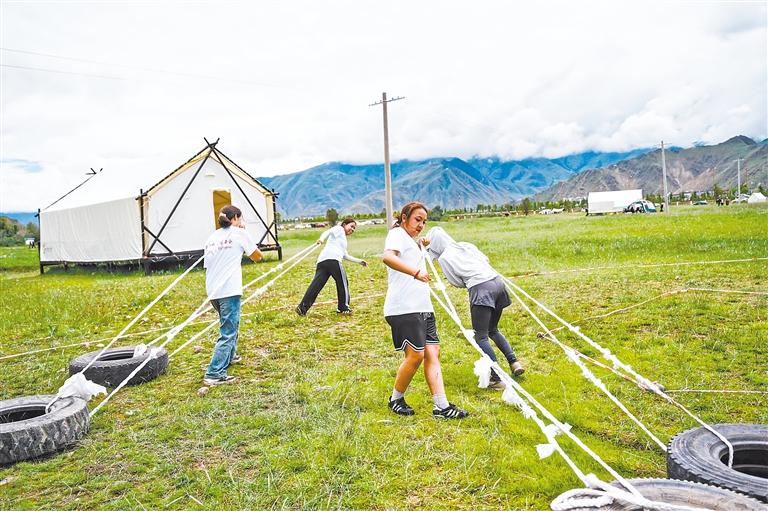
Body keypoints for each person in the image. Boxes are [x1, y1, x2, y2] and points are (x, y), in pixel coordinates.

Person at [382, 202, 468, 419]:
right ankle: (395, 399)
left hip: (423, 307)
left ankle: (441, 406)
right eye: (417, 219)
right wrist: (415, 272)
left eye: (424, 222)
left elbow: (410, 254)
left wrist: (420, 245)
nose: (421, 225)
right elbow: (388, 257)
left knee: (432, 352)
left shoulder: (410, 241)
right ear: (404, 218)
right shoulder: (396, 234)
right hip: (404, 307)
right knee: (416, 355)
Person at [426, 227, 525, 390]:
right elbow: (485, 259)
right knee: (493, 329)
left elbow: (455, 281)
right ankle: (514, 362)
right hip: (497, 283)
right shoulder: (465, 245)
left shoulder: (444, 258)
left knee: (481, 337)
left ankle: (496, 378)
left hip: (481, 290)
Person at [202, 205, 262, 385]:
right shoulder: (240, 234)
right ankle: (214, 373)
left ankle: (231, 355)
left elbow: (208, 264)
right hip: (229, 290)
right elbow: (257, 257)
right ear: (235, 217)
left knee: (230, 324)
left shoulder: (212, 237)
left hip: (213, 290)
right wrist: (244, 232)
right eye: (240, 218)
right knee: (228, 331)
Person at [296, 217, 367, 316]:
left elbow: (345, 255)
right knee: (343, 282)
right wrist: (321, 239)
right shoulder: (339, 229)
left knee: (316, 285)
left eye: (354, 228)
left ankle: (302, 308)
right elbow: (327, 232)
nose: (352, 229)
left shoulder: (341, 239)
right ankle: (343, 308)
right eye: (351, 226)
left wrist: (359, 261)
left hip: (322, 261)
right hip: (333, 260)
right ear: (344, 224)